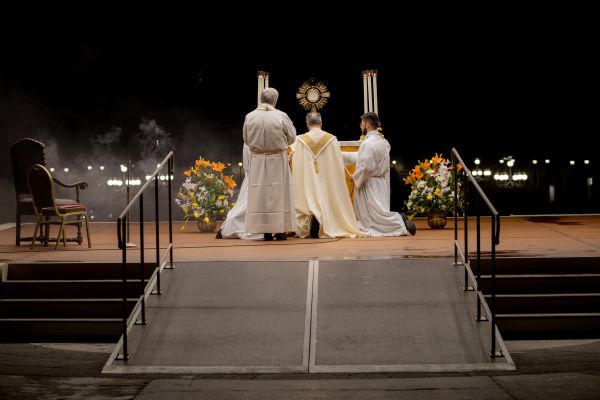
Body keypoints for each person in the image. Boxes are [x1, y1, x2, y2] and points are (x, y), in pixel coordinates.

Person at [291, 112, 365, 238]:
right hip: (326, 179)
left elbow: (297, 164)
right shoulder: (331, 139)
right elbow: (336, 162)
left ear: (307, 124)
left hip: (308, 179)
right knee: (326, 194)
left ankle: (309, 221)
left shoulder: (299, 140)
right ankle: (326, 221)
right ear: (321, 123)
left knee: (309, 194)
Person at [243, 87, 297, 241]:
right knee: (278, 195)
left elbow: (246, 139)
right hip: (277, 159)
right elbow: (292, 137)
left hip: (258, 160)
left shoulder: (250, 116)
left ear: (261, 99)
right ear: (275, 100)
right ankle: (279, 231)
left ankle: (265, 231)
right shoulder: (281, 116)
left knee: (261, 195)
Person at [351, 112, 416, 236]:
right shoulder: (383, 142)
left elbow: (367, 167)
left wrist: (354, 177)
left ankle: (398, 222)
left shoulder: (368, 144)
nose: (360, 126)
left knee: (373, 218)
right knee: (377, 214)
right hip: (380, 182)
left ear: (367, 125)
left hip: (369, 183)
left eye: (362, 123)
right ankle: (398, 220)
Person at [216, 144, 262, 240]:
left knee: (248, 203)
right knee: (246, 204)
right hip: (255, 176)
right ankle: (232, 225)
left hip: (257, 175)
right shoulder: (251, 138)